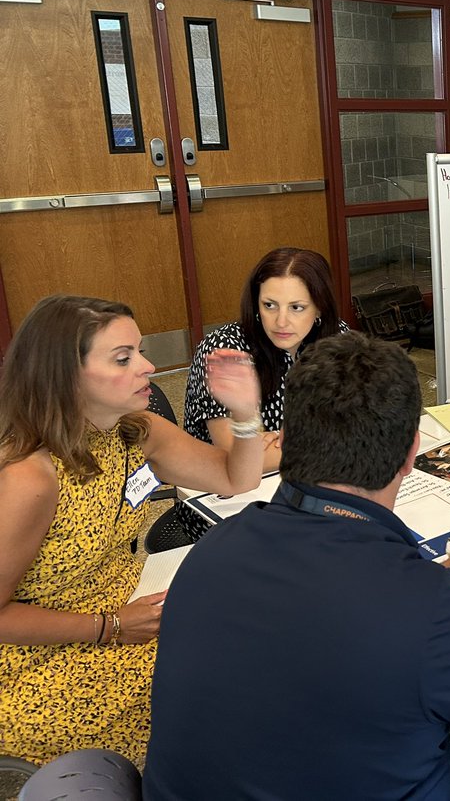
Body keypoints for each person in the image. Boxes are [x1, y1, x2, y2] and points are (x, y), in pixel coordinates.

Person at [144, 332, 450, 800]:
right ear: (410, 454)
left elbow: (322, 628)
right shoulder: (433, 611)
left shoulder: (217, 545)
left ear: (284, 440)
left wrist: (439, 584)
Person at [0, 295, 264, 765]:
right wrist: (109, 627)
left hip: (125, 603)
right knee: (219, 673)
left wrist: (244, 414)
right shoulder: (31, 476)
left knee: (246, 637)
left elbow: (235, 478)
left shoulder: (133, 429)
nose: (147, 366)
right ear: (64, 375)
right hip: (39, 656)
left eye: (140, 350)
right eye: (124, 358)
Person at [183, 247, 346, 472]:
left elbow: (367, 420)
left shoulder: (338, 338)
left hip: (313, 477)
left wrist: (289, 446)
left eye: (297, 308)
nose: (281, 321)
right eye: (269, 305)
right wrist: (331, 441)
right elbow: (239, 457)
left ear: (320, 309)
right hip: (226, 496)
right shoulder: (223, 350)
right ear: (256, 304)